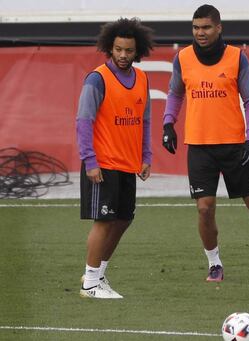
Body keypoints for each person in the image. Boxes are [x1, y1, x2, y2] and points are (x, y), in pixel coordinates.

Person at [162, 5, 249, 282]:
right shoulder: (182, 58)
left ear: (219, 28)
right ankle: (214, 264)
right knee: (205, 208)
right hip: (200, 147)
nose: (200, 33)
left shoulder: (237, 58)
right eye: (195, 28)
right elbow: (174, 93)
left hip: (234, 146)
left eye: (205, 27)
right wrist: (168, 123)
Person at [76, 18, 153, 298]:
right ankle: (90, 284)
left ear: (137, 51)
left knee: (123, 219)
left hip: (127, 164)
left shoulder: (142, 78)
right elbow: (83, 121)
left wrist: (145, 156)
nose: (122, 55)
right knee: (105, 221)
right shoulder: (97, 78)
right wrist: (90, 160)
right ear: (110, 48)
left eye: (128, 50)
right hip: (103, 163)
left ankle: (98, 275)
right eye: (118, 49)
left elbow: (144, 120)